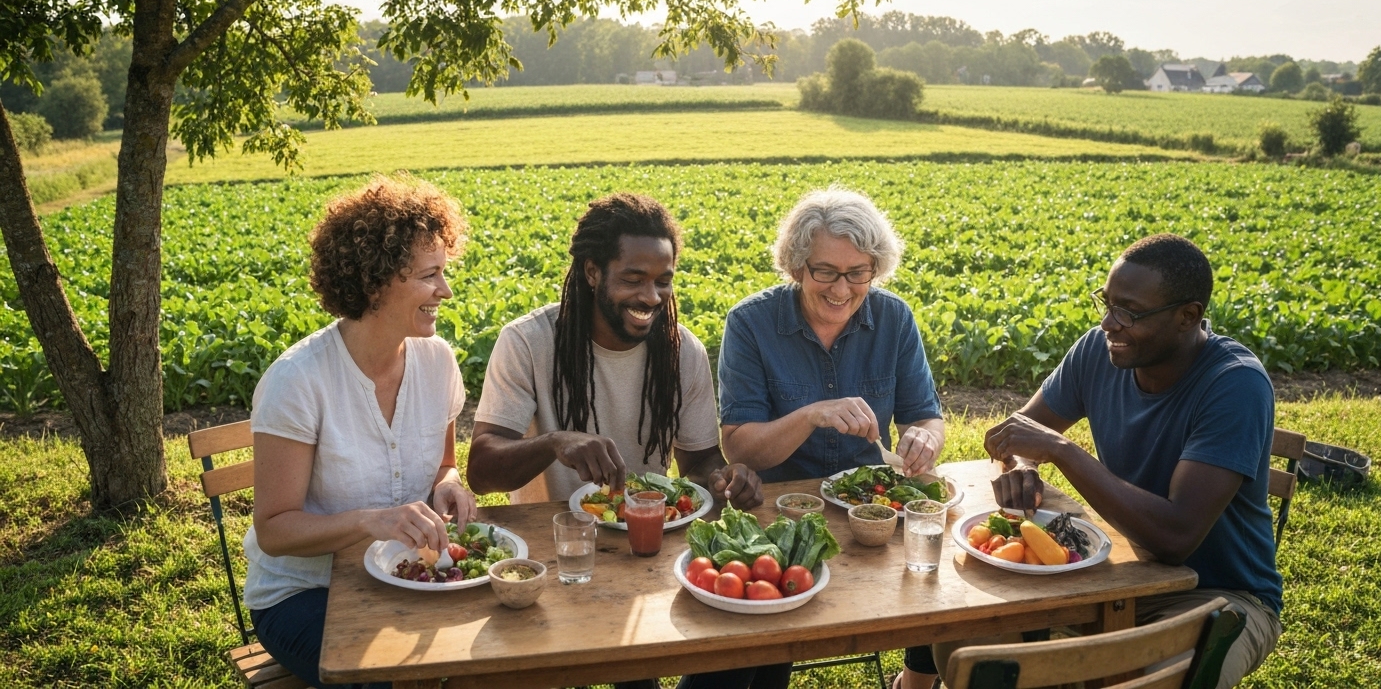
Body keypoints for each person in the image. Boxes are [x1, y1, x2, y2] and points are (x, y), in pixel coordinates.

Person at [962, 233, 1281, 689]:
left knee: (1151, 682)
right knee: (970, 644)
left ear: (1187, 316)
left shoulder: (1235, 386)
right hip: (1116, 579)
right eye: (1106, 304)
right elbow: (1016, 434)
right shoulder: (1098, 350)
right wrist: (1023, 465)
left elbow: (1175, 539)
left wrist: (1062, 450)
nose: (1110, 324)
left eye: (1129, 312)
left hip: (1218, 596)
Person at [244, 176, 476, 689]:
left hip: (404, 577)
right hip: (305, 596)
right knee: (384, 681)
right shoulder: (298, 380)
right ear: (375, 282)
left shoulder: (438, 362)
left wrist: (449, 484)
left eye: (445, 271)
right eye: (429, 275)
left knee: (490, 657)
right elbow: (275, 530)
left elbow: (444, 464)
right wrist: (372, 520)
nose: (446, 290)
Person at [711, 188, 946, 689]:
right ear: (797, 267)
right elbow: (740, 447)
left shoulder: (895, 318)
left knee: (936, 584)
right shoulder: (751, 324)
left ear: (874, 270)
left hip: (872, 509)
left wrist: (925, 440)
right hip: (779, 515)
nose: (842, 288)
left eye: (858, 272)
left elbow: (926, 416)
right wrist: (812, 414)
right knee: (752, 655)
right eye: (826, 272)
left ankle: (916, 680)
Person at [467, 192, 762, 509]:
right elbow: (481, 475)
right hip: (553, 541)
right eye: (633, 279)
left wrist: (724, 480)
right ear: (593, 272)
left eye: (663, 281)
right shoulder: (527, 342)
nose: (651, 297)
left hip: (646, 534)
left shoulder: (683, 350)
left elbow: (699, 461)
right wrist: (554, 443)